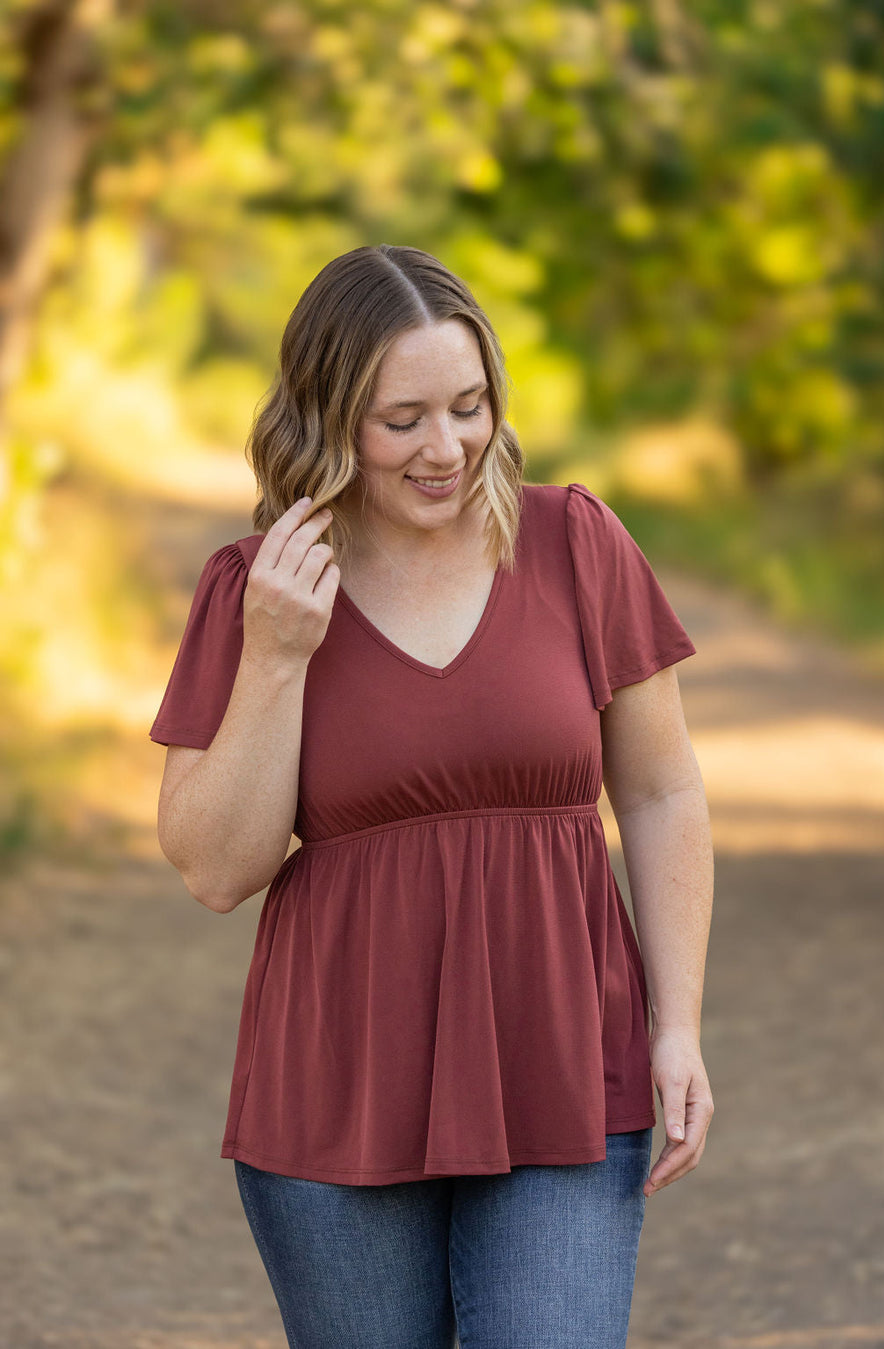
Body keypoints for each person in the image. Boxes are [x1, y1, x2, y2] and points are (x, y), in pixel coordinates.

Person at [150, 244, 714, 1349]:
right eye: (401, 418)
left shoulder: (573, 541)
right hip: (338, 1088)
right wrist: (275, 657)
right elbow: (217, 869)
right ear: (327, 416)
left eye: (468, 405)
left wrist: (678, 1024)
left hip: (567, 1065)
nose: (446, 446)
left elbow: (660, 790)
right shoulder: (258, 588)